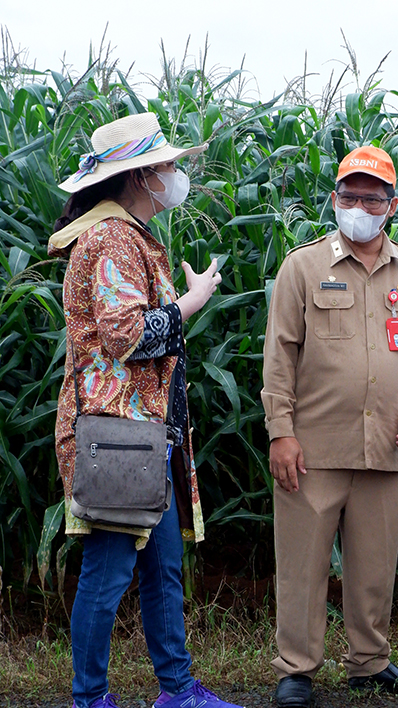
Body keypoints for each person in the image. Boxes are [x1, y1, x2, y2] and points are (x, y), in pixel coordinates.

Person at [49, 113, 243, 708]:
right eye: (167, 166)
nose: (175, 175)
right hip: (116, 438)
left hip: (145, 435)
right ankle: (90, 699)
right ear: (138, 177)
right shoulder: (110, 240)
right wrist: (191, 303)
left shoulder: (130, 235)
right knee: (107, 577)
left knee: (163, 569)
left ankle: (178, 690)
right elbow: (125, 336)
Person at [261, 145, 398, 708]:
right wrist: (280, 431)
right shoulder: (303, 266)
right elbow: (279, 355)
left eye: (371, 198)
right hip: (312, 448)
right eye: (349, 196)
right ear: (333, 200)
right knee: (302, 566)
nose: (359, 206)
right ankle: (296, 669)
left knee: (373, 567)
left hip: (385, 448)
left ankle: (370, 663)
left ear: (393, 206)